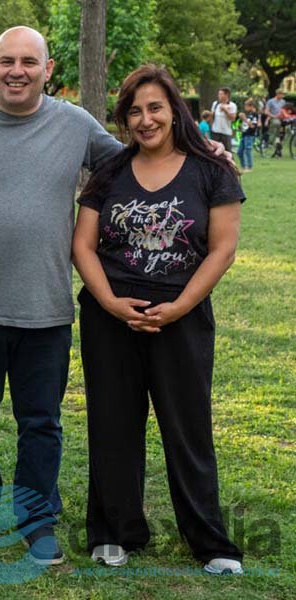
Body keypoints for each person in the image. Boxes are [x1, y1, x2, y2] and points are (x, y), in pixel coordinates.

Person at [0, 25, 122, 566]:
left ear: (48, 69)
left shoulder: (76, 125)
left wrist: (203, 153)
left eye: (28, 62)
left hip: (46, 310)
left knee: (42, 422)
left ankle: (38, 521)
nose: (17, 71)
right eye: (7, 61)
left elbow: (136, 164)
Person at [71, 64, 245, 575]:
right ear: (124, 119)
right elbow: (82, 245)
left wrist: (179, 307)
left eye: (155, 108)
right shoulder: (110, 172)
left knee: (187, 429)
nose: (145, 119)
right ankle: (114, 532)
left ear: (175, 112)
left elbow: (223, 249)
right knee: (113, 426)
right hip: (111, 318)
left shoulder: (212, 171)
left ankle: (210, 542)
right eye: (134, 111)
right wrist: (108, 302)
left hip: (182, 317)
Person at [210, 87, 237, 152]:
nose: (219, 96)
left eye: (221, 94)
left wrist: (225, 110)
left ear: (226, 95)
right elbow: (212, 116)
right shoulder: (215, 104)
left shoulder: (232, 105)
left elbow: (233, 118)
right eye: (219, 94)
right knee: (215, 151)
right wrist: (211, 126)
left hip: (226, 132)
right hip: (215, 131)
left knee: (227, 151)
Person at [237, 99, 259, 172]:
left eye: (246, 106)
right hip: (244, 134)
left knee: (248, 150)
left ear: (251, 106)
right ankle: (243, 166)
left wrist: (245, 119)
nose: (245, 108)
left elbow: (253, 126)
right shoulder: (247, 114)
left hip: (250, 135)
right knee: (239, 152)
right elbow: (244, 125)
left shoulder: (254, 114)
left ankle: (249, 167)